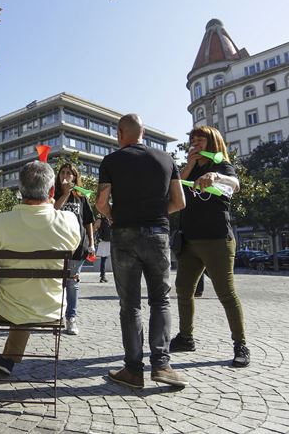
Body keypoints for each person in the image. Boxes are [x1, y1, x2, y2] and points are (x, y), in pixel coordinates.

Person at [0, 161, 80, 391]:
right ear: (51, 191)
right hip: (51, 306)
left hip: (9, 305)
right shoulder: (69, 221)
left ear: (19, 191)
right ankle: (7, 359)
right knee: (27, 296)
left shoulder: (1, 222)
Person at [95, 113, 187, 389]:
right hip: (158, 234)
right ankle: (162, 365)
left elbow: (101, 203)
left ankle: (134, 370)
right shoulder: (166, 159)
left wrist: (113, 217)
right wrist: (158, 213)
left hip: (124, 235)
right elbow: (180, 201)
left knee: (130, 304)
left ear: (120, 133)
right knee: (161, 300)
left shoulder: (111, 161)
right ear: (143, 133)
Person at [170, 125, 250, 368]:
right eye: (193, 140)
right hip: (190, 240)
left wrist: (215, 176)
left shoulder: (222, 166)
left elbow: (235, 184)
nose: (195, 144)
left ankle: (241, 345)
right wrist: (190, 167)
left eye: (200, 140)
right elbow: (173, 190)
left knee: (226, 293)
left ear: (212, 142)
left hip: (217, 240)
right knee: (183, 289)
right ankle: (186, 337)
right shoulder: (191, 168)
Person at [53, 163, 95, 335]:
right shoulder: (54, 194)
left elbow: (88, 221)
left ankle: (71, 318)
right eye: (62, 172)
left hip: (78, 246)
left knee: (72, 282)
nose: (65, 175)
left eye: (69, 173)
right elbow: (53, 210)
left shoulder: (82, 197)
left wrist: (92, 243)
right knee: (56, 283)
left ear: (74, 177)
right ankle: (55, 316)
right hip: (57, 246)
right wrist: (65, 194)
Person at [94, 215, 112, 282]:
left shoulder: (109, 219)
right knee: (103, 259)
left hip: (111, 240)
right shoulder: (100, 219)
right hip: (104, 241)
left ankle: (103, 276)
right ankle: (102, 276)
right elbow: (94, 228)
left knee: (105, 259)